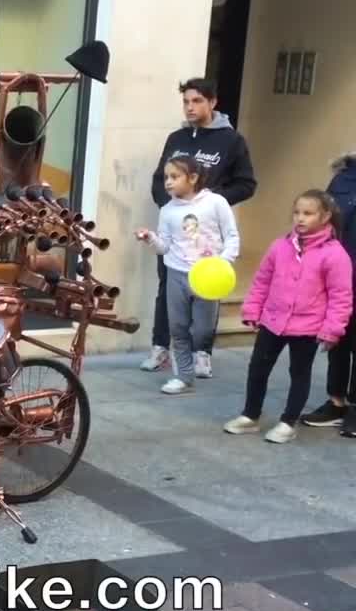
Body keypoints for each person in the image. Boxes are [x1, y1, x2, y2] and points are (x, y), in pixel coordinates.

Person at [142, 78, 257, 377]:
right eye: (186, 102)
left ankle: (202, 352)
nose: (191, 107)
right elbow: (159, 178)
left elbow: (246, 184)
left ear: (212, 102)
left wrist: (211, 203)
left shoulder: (231, 141)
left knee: (206, 293)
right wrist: (167, 204)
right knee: (168, 289)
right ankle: (160, 348)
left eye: (197, 101)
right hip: (174, 232)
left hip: (206, 237)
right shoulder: (176, 138)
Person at [224, 190, 353, 443]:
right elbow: (262, 281)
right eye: (297, 213)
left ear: (325, 216)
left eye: (308, 213)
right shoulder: (280, 246)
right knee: (258, 368)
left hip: (308, 326)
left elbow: (341, 297)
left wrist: (332, 330)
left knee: (299, 373)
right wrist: (252, 309)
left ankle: (288, 422)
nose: (300, 219)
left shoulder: (335, 254)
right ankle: (250, 415)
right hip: (273, 321)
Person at [135, 155, 240, 395]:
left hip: (208, 277)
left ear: (193, 178)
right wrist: (150, 239)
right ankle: (183, 376)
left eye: (174, 177)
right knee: (178, 329)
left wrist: (223, 262)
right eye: (166, 178)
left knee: (202, 330)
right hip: (177, 275)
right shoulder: (168, 210)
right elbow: (164, 247)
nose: (168, 183)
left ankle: (199, 355)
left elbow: (231, 235)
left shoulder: (216, 203)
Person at [301, 153, 356, 434]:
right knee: (338, 341)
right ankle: (337, 402)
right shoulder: (343, 178)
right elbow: (327, 224)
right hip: (340, 274)